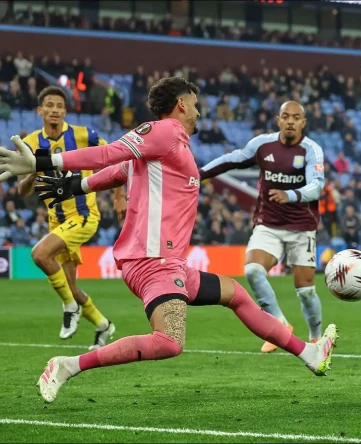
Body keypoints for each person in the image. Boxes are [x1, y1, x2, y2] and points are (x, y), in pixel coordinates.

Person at [0, 77, 338, 404]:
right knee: (170, 342)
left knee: (237, 295)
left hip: (170, 262)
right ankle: (67, 365)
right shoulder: (163, 131)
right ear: (181, 105)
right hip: (152, 261)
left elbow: (120, 171)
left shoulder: (169, 146)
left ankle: (309, 352)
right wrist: (46, 161)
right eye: (194, 104)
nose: (199, 112)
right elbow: (110, 155)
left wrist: (75, 187)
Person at [198, 101, 326, 353]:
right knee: (254, 270)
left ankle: (316, 339)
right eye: (286, 116)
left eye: (296, 117)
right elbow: (232, 159)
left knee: (306, 291)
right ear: (278, 120)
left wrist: (289, 195)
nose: (290, 121)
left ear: (303, 123)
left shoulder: (311, 150)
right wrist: (199, 173)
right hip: (268, 224)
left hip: (301, 227)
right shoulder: (262, 145)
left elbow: (316, 187)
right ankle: (279, 325)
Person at [16, 86, 121, 349]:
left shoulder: (84, 135)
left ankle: (69, 308)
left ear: (65, 111)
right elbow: (22, 190)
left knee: (40, 255)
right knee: (71, 286)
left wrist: (120, 196)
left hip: (84, 215)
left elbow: (118, 157)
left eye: (59, 106)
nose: (54, 110)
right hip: (57, 220)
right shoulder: (29, 144)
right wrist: (33, 171)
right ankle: (103, 325)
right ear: (40, 110)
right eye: (49, 105)